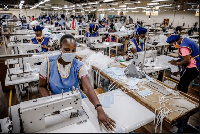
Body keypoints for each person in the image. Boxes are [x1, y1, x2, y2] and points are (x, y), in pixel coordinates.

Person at [39, 34, 116, 131]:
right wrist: (51, 104)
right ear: (60, 48)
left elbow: (87, 88)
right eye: (67, 50)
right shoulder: (48, 63)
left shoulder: (79, 66)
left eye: (73, 50)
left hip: (77, 101)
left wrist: (99, 109)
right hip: (56, 101)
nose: (70, 53)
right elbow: (42, 86)